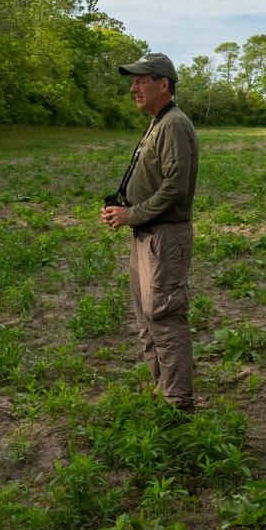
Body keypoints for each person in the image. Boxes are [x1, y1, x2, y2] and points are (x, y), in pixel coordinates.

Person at [101, 52, 199, 412]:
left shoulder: (173, 124)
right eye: (133, 80)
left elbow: (174, 187)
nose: (134, 87)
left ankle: (177, 406)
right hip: (147, 234)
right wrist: (125, 210)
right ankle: (163, 394)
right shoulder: (158, 122)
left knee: (164, 317)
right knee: (147, 320)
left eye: (142, 80)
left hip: (164, 237)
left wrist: (133, 214)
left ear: (164, 84)